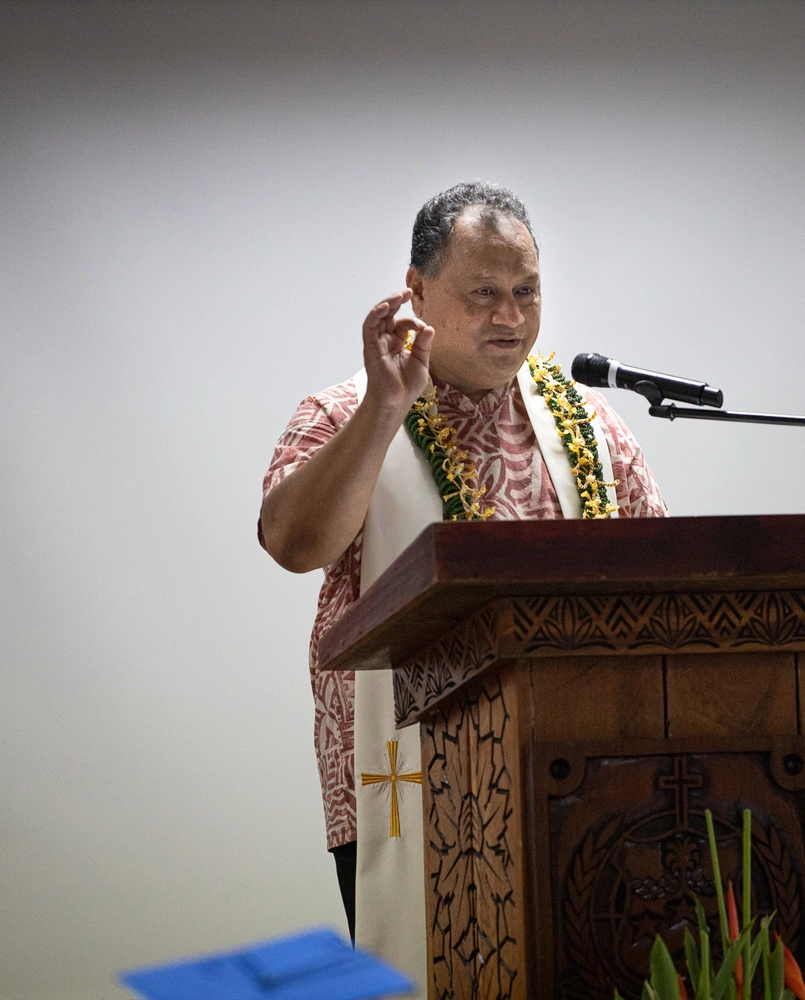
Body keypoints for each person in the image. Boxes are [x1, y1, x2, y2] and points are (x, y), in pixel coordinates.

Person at [258, 181, 667, 992]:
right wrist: (383, 408)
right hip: (411, 783)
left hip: (580, 779)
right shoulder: (340, 412)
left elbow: (659, 580)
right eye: (482, 293)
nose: (509, 317)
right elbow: (295, 545)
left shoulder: (591, 425)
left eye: (526, 291)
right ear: (416, 291)